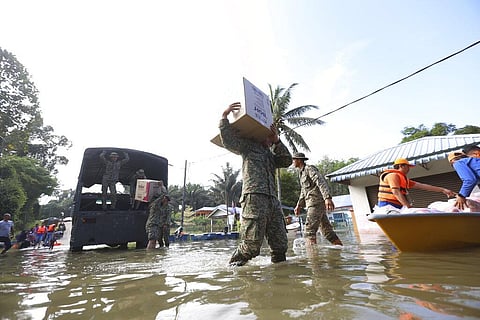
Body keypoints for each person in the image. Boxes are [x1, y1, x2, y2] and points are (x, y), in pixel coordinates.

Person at [220, 102, 292, 266]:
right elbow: (228, 141)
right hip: (254, 198)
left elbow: (287, 161)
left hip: (272, 200)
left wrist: (277, 141)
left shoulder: (271, 155)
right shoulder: (248, 147)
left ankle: (280, 279)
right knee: (251, 247)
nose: (269, 137)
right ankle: (232, 268)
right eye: (267, 134)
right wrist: (224, 117)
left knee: (280, 246)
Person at [292, 152, 343, 246]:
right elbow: (303, 191)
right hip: (312, 204)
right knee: (327, 232)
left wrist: (327, 197)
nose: (293, 162)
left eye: (294, 159)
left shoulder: (309, 169)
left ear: (299, 160)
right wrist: (299, 205)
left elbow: (320, 181)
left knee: (309, 231)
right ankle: (339, 250)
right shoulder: (301, 174)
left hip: (316, 203)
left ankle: (313, 259)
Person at [377, 158, 455, 209]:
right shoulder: (392, 175)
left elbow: (421, 186)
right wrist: (408, 207)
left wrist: (442, 190)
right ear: (401, 166)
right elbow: (396, 192)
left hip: (398, 205)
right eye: (407, 167)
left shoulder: (403, 179)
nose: (409, 169)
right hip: (387, 204)